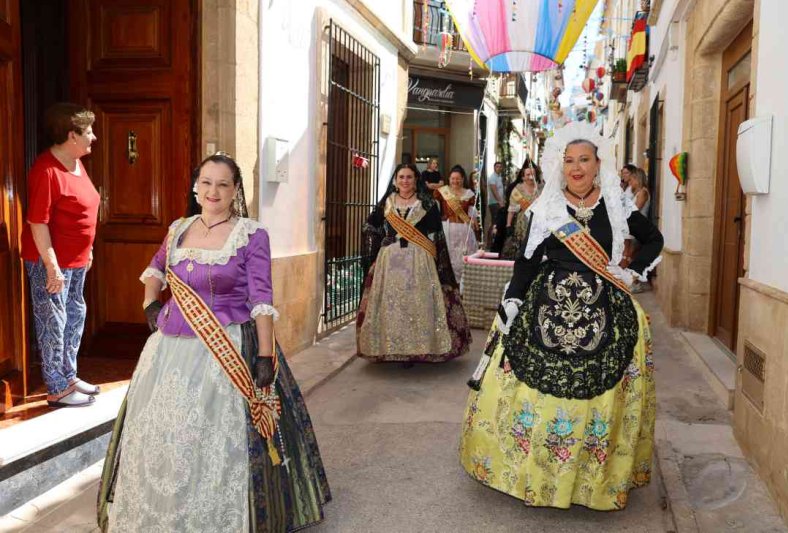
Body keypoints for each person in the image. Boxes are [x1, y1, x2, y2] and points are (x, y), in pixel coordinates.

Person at [97, 153, 331, 532]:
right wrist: (150, 306)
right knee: (167, 432)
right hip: (169, 351)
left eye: (223, 184)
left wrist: (264, 358)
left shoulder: (251, 234)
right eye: (206, 182)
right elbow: (155, 270)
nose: (213, 191)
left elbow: (261, 299)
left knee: (214, 438)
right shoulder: (178, 229)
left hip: (228, 349)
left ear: (235, 189)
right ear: (195, 186)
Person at [460, 122, 663, 511]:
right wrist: (515, 299)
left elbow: (654, 238)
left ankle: (588, 483)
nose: (576, 167)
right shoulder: (548, 206)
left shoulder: (617, 203)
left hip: (605, 307)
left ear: (597, 162)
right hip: (546, 306)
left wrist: (632, 270)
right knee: (534, 396)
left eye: (584, 159)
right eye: (569, 160)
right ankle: (536, 476)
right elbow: (528, 260)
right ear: (560, 165)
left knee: (597, 398)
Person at [21, 103, 100, 408]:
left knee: (74, 317)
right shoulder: (46, 170)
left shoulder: (77, 164)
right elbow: (37, 221)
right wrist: (51, 265)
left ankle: (69, 376)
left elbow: (85, 209)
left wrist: (88, 248)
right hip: (50, 262)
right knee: (53, 322)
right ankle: (56, 388)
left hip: (76, 260)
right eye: (88, 131)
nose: (93, 137)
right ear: (71, 135)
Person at [356, 163, 471, 364]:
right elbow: (369, 225)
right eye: (401, 177)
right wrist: (381, 239)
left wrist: (435, 258)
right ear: (395, 180)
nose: (405, 181)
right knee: (393, 305)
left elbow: (436, 233)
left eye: (409, 177)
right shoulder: (387, 203)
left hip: (419, 260)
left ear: (416, 179)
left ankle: (418, 349)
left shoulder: (426, 203)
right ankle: (392, 348)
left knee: (418, 303)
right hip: (390, 262)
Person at [433, 165, 479, 284]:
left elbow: (471, 213)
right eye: (453, 178)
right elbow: (435, 210)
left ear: (463, 179)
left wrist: (473, 222)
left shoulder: (469, 194)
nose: (455, 181)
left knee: (462, 255)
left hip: (464, 230)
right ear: (449, 178)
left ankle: (463, 283)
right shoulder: (442, 192)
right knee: (448, 254)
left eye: (458, 178)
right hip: (447, 229)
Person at [501, 164, 540, 259]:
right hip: (522, 223)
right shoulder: (518, 189)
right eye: (528, 174)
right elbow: (511, 210)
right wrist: (508, 225)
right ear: (523, 177)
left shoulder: (540, 188)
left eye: (533, 174)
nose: (531, 177)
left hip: (537, 222)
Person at [486, 161, 505, 240]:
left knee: (496, 222)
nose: (499, 168)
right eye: (497, 166)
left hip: (498, 202)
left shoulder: (499, 177)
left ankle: (494, 240)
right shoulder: (492, 177)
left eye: (500, 167)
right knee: (494, 222)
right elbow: (494, 191)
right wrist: (500, 202)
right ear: (494, 168)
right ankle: (489, 242)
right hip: (494, 203)